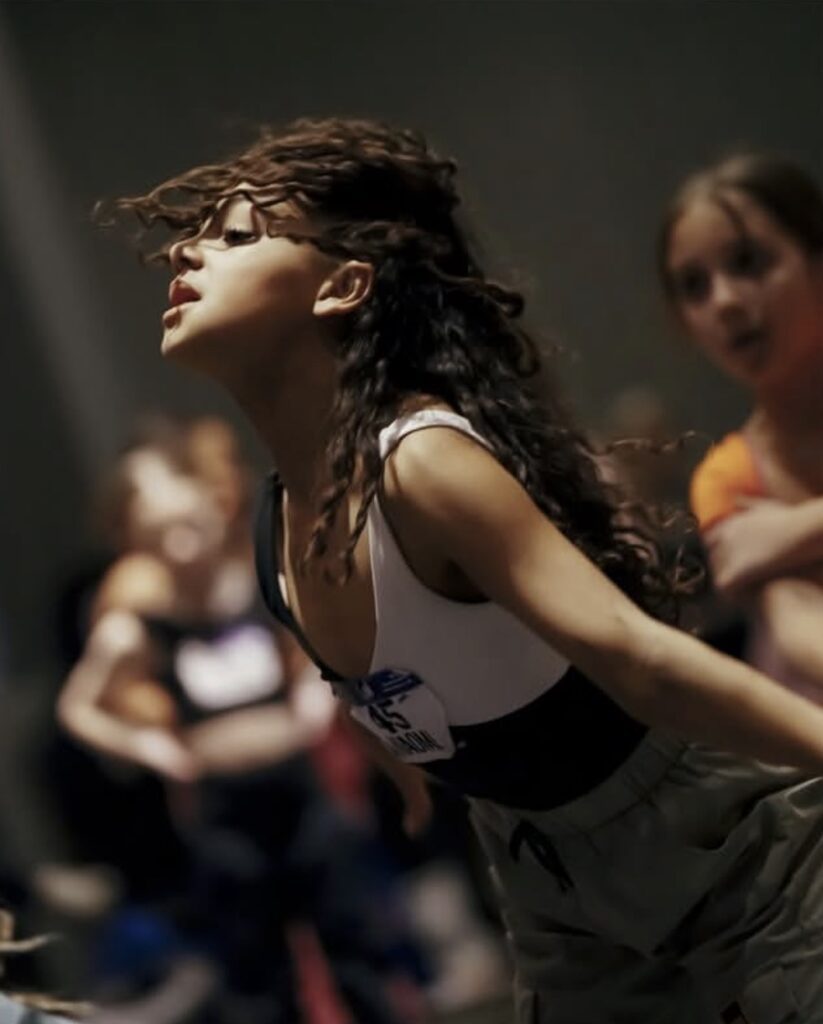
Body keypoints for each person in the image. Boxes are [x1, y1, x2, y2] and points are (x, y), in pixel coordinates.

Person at [112, 118, 823, 1021]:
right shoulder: (274, 529)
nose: (188, 249)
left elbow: (639, 658)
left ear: (341, 286)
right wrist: (411, 782)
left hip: (726, 851)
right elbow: (386, 691)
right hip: (551, 891)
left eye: (239, 235)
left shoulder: (420, 462)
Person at [58, 435, 408, 1024]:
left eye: (189, 524)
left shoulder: (262, 582)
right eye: (158, 534)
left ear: (216, 506)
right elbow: (78, 707)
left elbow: (322, 638)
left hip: (302, 794)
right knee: (257, 977)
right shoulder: (139, 624)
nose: (181, 545)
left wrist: (313, 691)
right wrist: (148, 745)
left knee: (357, 944)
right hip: (224, 814)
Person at [661, 153, 823, 703]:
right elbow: (800, 627)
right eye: (694, 286)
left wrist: (794, 528)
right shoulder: (726, 476)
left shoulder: (764, 523)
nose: (725, 301)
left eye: (748, 262)